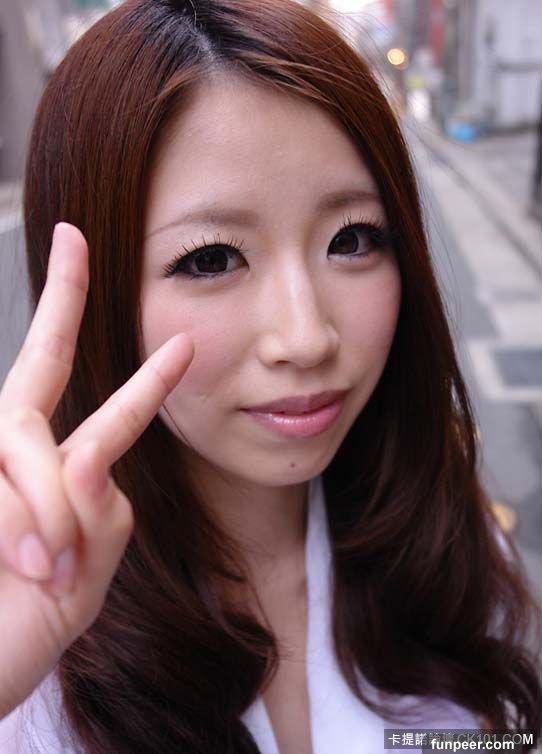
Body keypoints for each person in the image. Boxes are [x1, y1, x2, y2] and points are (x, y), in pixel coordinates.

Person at [0, 0, 540, 752]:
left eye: (352, 239)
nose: (306, 337)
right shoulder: (31, 652)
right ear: (94, 297)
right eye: (211, 258)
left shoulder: (453, 550)